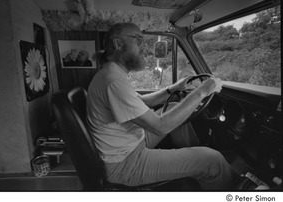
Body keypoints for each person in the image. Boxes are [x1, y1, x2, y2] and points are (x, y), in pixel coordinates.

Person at [86, 22, 238, 190]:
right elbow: (161, 127)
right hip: (125, 164)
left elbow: (143, 102)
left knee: (173, 106)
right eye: (138, 40)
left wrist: (174, 88)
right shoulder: (113, 81)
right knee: (212, 160)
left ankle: (190, 162)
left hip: (132, 143)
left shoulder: (113, 74)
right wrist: (202, 91)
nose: (143, 47)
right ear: (117, 43)